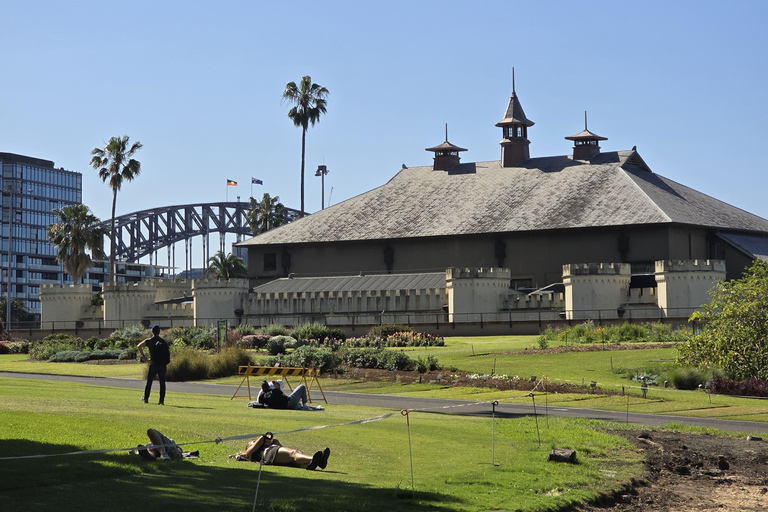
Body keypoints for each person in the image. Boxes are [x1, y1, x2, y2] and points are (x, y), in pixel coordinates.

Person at [232, 433, 330, 470]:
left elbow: (280, 447)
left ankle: (315, 462)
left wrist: (275, 442)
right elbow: (262, 438)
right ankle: (315, 458)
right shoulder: (249, 453)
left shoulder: (263, 448)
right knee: (294, 454)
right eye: (252, 442)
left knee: (295, 458)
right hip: (271, 453)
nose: (254, 442)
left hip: (273, 454)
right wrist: (269, 438)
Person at [137, 325, 171, 405]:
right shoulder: (163, 341)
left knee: (149, 382)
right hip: (162, 365)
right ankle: (161, 401)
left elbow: (139, 346)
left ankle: (146, 398)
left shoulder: (149, 341)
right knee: (162, 383)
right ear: (159, 332)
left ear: (152, 331)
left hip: (153, 364)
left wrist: (144, 357)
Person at [132, 428, 198, 461]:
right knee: (149, 452)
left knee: (151, 431)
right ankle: (150, 457)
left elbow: (179, 450)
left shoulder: (171, 445)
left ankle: (163, 454)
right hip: (155, 449)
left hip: (167, 447)